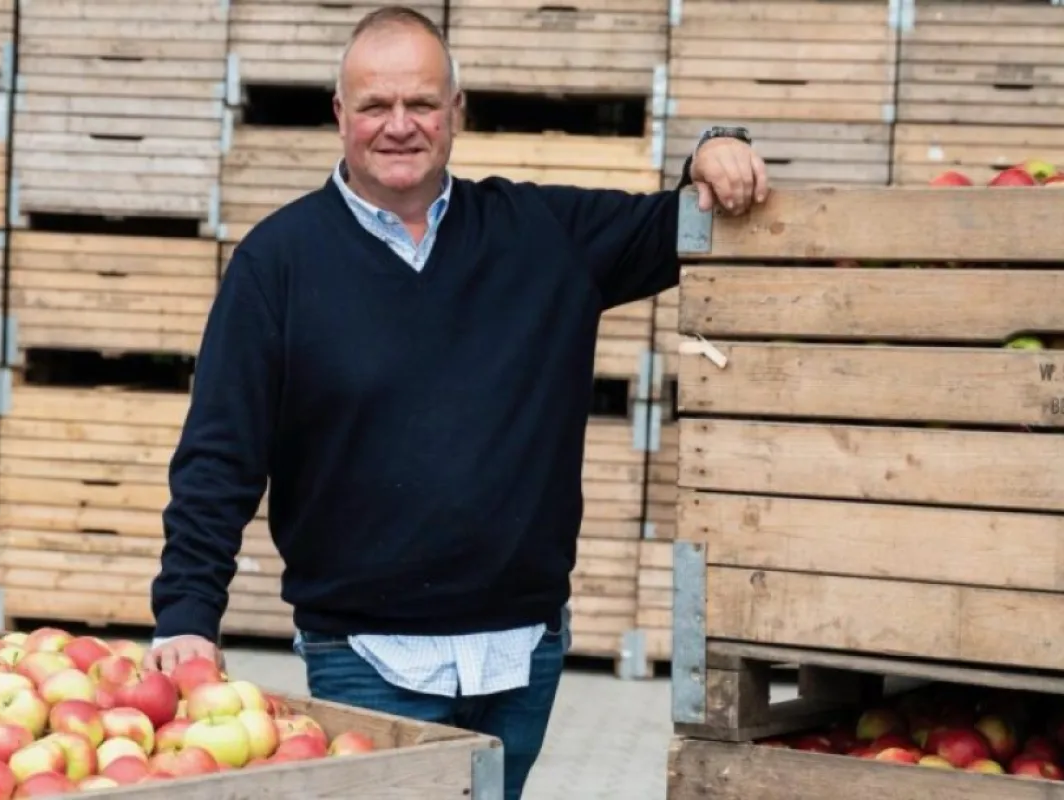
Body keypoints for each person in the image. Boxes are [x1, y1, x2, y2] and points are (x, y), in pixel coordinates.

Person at [142, 5, 768, 797]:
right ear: (340, 114)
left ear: (456, 113)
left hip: (523, 655)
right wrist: (188, 614)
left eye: (421, 104)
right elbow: (219, 455)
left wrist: (717, 145)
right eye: (375, 105)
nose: (399, 126)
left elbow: (678, 222)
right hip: (364, 657)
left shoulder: (541, 235)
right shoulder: (279, 263)